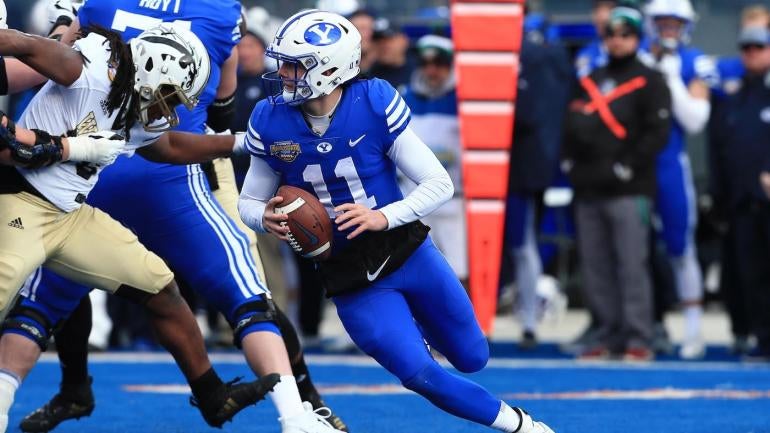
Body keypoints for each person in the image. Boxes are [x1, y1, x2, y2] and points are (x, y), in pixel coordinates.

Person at [3, 1, 347, 433]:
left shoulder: (137, 95)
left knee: (154, 285)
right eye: (170, 95)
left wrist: (240, 142)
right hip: (25, 199)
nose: (169, 107)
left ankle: (225, 397)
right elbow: (25, 71)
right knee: (38, 296)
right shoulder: (82, 67)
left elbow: (165, 145)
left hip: (77, 206)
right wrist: (72, 147)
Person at [238, 9, 554, 433]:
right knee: (419, 374)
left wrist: (382, 216)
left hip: (407, 252)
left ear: (329, 68)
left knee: (472, 356)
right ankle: (522, 426)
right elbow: (249, 201)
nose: (283, 74)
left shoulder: (372, 101)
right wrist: (264, 217)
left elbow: (438, 183)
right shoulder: (269, 118)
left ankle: (415, 322)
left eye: (295, 66)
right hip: (349, 276)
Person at [561, 5, 671, 361]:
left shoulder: (650, 80)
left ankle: (638, 337)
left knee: (631, 264)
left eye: (625, 34)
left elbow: (657, 133)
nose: (617, 40)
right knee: (595, 268)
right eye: (611, 34)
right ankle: (606, 334)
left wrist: (627, 165)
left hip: (629, 188)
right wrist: (569, 163)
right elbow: (570, 124)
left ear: (638, 38)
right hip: (589, 187)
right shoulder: (589, 79)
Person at [642, 0, 716, 360]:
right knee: (635, 252)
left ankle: (693, 330)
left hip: (670, 164)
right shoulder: (638, 57)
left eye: (675, 22)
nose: (669, 29)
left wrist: (670, 78)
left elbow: (695, 120)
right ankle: (644, 327)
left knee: (680, 247)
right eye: (663, 22)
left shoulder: (693, 61)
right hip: (636, 167)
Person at [506, 15, 571, 349]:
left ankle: (529, 318)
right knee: (517, 244)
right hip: (510, 164)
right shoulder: (544, 54)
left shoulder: (535, 54)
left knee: (522, 243)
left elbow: (531, 113)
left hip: (520, 165)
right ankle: (523, 318)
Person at [709, 26, 770, 361]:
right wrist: (718, 197)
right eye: (747, 48)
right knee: (750, 275)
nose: (752, 53)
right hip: (742, 202)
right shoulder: (733, 98)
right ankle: (760, 337)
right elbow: (720, 150)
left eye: (759, 47)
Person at [401, 35, 466, 285]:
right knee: (416, 269)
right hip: (414, 198)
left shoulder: (463, 98)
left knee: (459, 269)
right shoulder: (405, 96)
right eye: (425, 63)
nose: (431, 70)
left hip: (455, 198)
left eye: (439, 64)